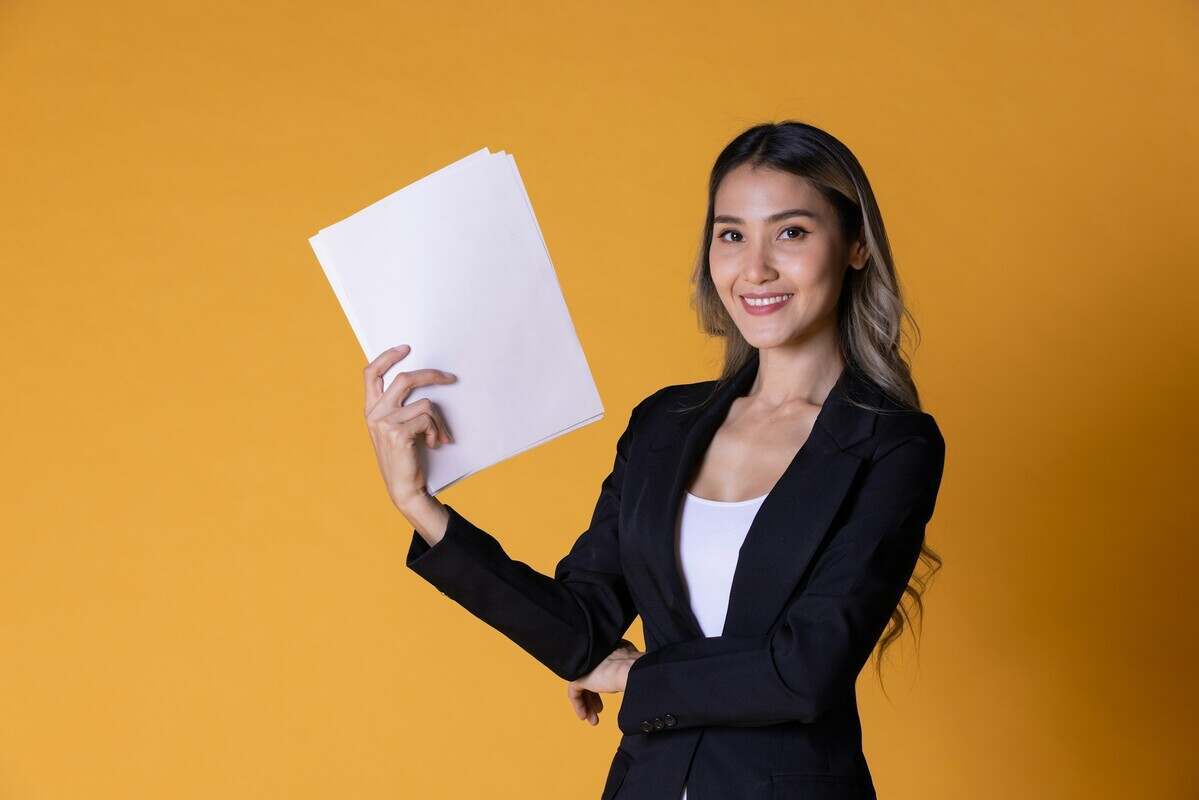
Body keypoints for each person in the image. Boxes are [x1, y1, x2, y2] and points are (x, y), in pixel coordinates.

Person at [361, 121, 947, 800]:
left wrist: (638, 679)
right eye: (730, 235)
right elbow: (581, 627)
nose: (753, 267)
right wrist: (421, 509)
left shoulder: (891, 444)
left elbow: (805, 668)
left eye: (790, 232)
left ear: (854, 247)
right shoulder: (663, 425)